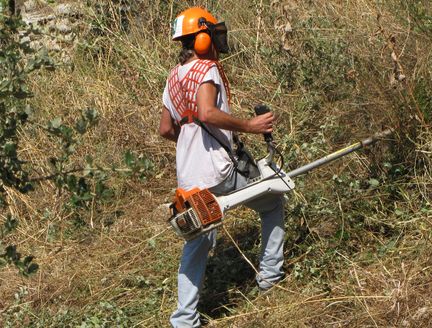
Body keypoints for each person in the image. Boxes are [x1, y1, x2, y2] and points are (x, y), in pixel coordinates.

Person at [159, 7, 286, 327]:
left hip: (189, 177)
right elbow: (206, 113)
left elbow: (165, 130)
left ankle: (184, 320)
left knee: (198, 240)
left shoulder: (173, 77)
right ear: (202, 39)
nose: (217, 40)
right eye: (213, 34)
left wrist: (190, 146)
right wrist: (250, 125)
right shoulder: (207, 69)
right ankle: (270, 278)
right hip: (218, 171)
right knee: (272, 202)